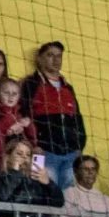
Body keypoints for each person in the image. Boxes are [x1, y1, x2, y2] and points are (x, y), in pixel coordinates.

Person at [17, 41, 84, 190]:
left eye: (59, 56)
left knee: (68, 198)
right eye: (50, 55)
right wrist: (33, 145)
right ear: (39, 59)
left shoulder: (68, 87)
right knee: (41, 192)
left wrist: (79, 145)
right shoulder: (30, 84)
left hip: (70, 155)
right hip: (42, 152)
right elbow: (23, 114)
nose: (56, 60)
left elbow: (78, 118)